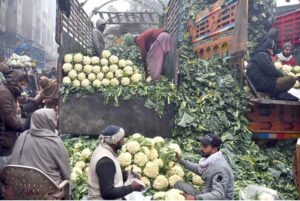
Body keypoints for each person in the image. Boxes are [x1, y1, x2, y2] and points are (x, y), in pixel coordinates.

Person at [8, 108, 70, 186]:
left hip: (22, 187)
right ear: (50, 121)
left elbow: (13, 161)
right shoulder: (55, 142)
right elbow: (66, 173)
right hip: (48, 190)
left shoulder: (23, 136)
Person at [87, 125, 144, 200]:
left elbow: (109, 175)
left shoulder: (102, 149)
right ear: (115, 141)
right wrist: (132, 187)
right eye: (122, 139)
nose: (123, 142)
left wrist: (126, 174)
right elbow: (107, 193)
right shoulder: (106, 161)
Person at [175, 134, 234, 200]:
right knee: (178, 184)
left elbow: (219, 194)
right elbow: (200, 170)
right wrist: (182, 162)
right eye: (201, 145)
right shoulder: (212, 160)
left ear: (214, 149)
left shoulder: (221, 169)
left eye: (205, 146)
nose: (201, 148)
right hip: (206, 193)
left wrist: (195, 198)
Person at [0, 70, 28, 158]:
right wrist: (22, 126)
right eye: (22, 84)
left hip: (8, 136)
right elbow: (8, 117)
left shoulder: (9, 91)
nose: (23, 87)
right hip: (4, 138)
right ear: (15, 81)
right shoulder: (4, 93)